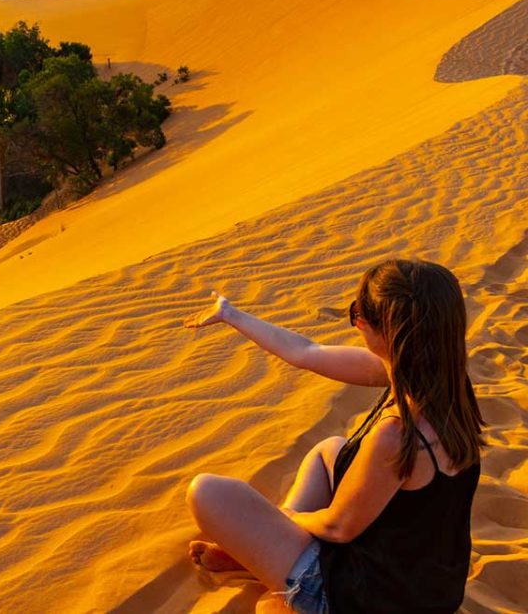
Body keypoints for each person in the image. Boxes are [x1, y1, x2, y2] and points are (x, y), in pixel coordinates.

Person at [183, 258, 484, 613]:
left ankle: (270, 566)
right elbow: (306, 352)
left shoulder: (398, 433)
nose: (356, 321)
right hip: (427, 588)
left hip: (368, 600)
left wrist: (286, 521)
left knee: (207, 492)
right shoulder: (443, 383)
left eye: (358, 314)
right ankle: (267, 554)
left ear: (384, 332)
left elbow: (338, 527)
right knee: (331, 451)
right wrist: (232, 315)